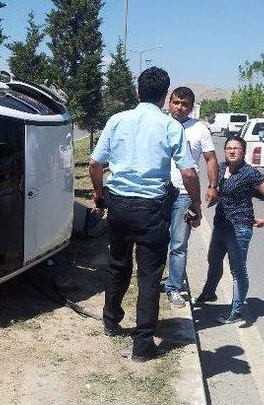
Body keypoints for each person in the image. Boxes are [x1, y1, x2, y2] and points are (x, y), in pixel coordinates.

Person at [89, 67, 202, 362]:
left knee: (117, 263)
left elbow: (94, 165)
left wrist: (101, 195)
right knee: (150, 275)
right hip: (152, 208)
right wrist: (197, 206)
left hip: (119, 205)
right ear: (165, 97)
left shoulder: (116, 121)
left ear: (138, 91)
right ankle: (142, 345)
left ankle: (111, 320)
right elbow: (188, 172)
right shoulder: (170, 126)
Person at [195, 136, 264, 323]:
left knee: (237, 270)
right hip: (221, 224)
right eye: (229, 148)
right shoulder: (221, 168)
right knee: (213, 260)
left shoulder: (250, 173)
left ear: (243, 151)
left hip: (239, 227)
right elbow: (216, 190)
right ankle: (209, 294)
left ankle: (237, 310)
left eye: (236, 148)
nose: (232, 151)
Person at [165, 87, 219, 308]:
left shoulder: (200, 130)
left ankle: (174, 288)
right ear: (169, 102)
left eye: (184, 104)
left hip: (184, 194)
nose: (179, 107)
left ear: (191, 107)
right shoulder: (160, 125)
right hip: (157, 191)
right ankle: (154, 280)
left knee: (178, 243)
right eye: (176, 102)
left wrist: (212, 185)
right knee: (154, 241)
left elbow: (210, 159)